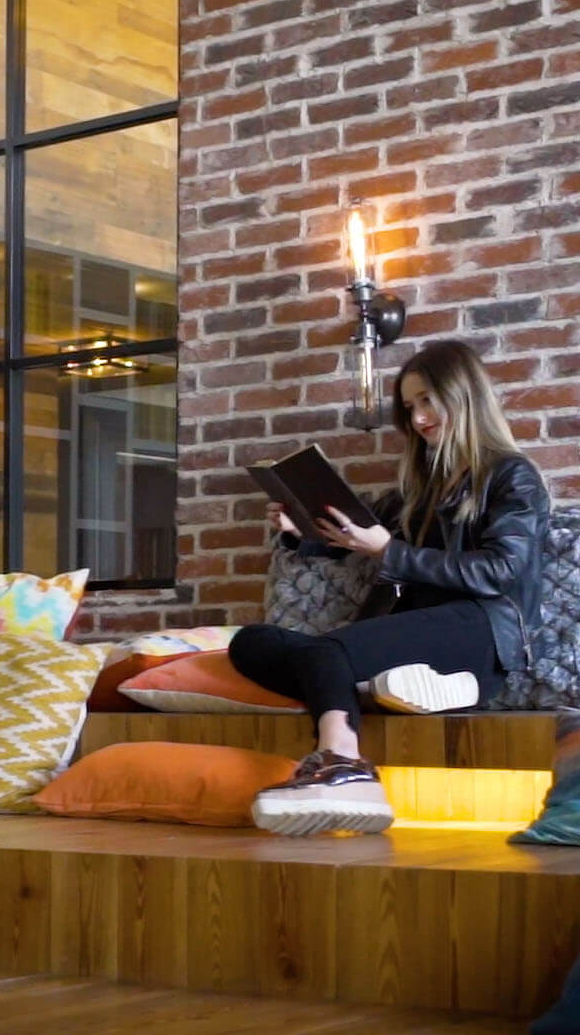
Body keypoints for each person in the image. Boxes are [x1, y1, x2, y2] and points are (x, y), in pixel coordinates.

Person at [232, 339, 550, 837]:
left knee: (329, 652)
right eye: (409, 407)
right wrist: (303, 534)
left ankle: (344, 765)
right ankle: (380, 687)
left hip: (481, 633)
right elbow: (351, 539)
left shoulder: (511, 475)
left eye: (428, 400)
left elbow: (499, 572)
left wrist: (388, 551)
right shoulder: (416, 489)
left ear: (464, 395)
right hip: (408, 631)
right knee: (250, 643)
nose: (419, 418)